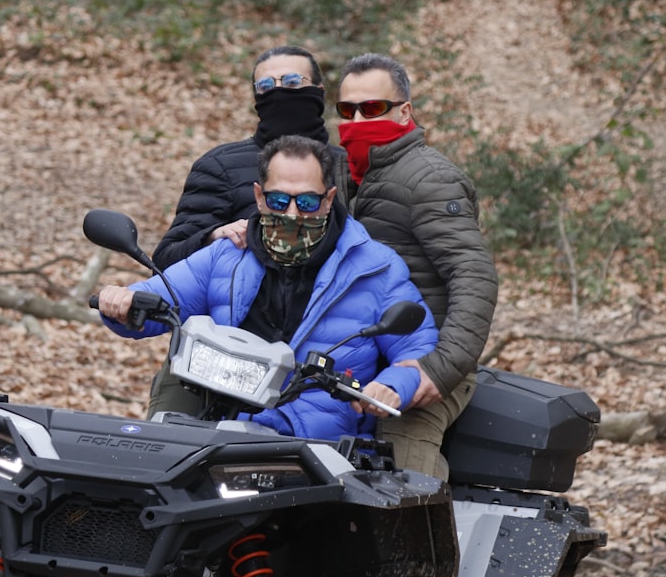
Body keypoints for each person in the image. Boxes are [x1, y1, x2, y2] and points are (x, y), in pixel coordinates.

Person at [97, 135, 438, 441]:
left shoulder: (375, 267)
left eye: (306, 202)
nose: (292, 213)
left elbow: (417, 351)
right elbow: (162, 295)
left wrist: (393, 386)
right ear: (259, 196)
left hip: (316, 443)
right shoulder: (228, 253)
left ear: (329, 197)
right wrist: (123, 301)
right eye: (278, 201)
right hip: (219, 429)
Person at [334, 52, 499, 479]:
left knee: (403, 486)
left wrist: (438, 369)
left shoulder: (429, 179)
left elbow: (473, 275)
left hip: (421, 360)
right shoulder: (345, 174)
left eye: (371, 108)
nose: (357, 119)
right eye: (346, 110)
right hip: (356, 354)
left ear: (404, 111)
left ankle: (429, 544)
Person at [147, 45, 336, 416]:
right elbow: (166, 260)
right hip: (215, 357)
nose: (281, 91)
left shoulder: (347, 170)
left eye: (293, 82)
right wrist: (211, 236)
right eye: (267, 85)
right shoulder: (221, 165)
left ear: (318, 90)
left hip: (314, 365)